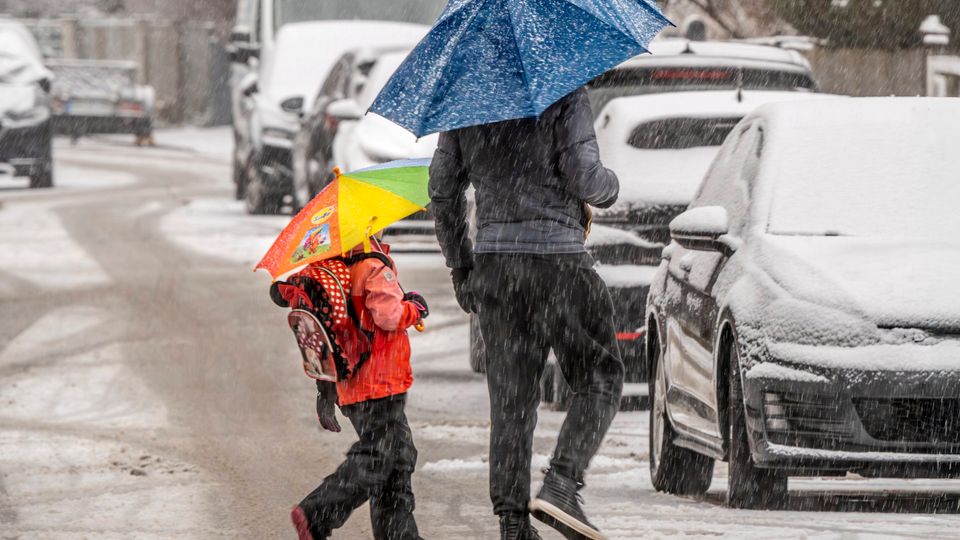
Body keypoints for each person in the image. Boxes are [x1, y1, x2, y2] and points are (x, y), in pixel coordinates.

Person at [429, 86, 624, 540]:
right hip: (560, 263)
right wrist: (610, 185)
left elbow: (442, 193)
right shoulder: (564, 86)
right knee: (600, 377)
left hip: (497, 267)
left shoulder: (466, 94)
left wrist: (461, 264)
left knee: (511, 399)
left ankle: (513, 522)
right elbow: (585, 177)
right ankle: (561, 484)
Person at [272, 237, 429, 540]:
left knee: (397, 457)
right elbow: (389, 316)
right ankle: (317, 512)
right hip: (381, 381)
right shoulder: (372, 266)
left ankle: (399, 535)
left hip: (352, 385)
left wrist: (325, 390)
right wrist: (415, 307)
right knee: (380, 455)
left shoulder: (329, 267)